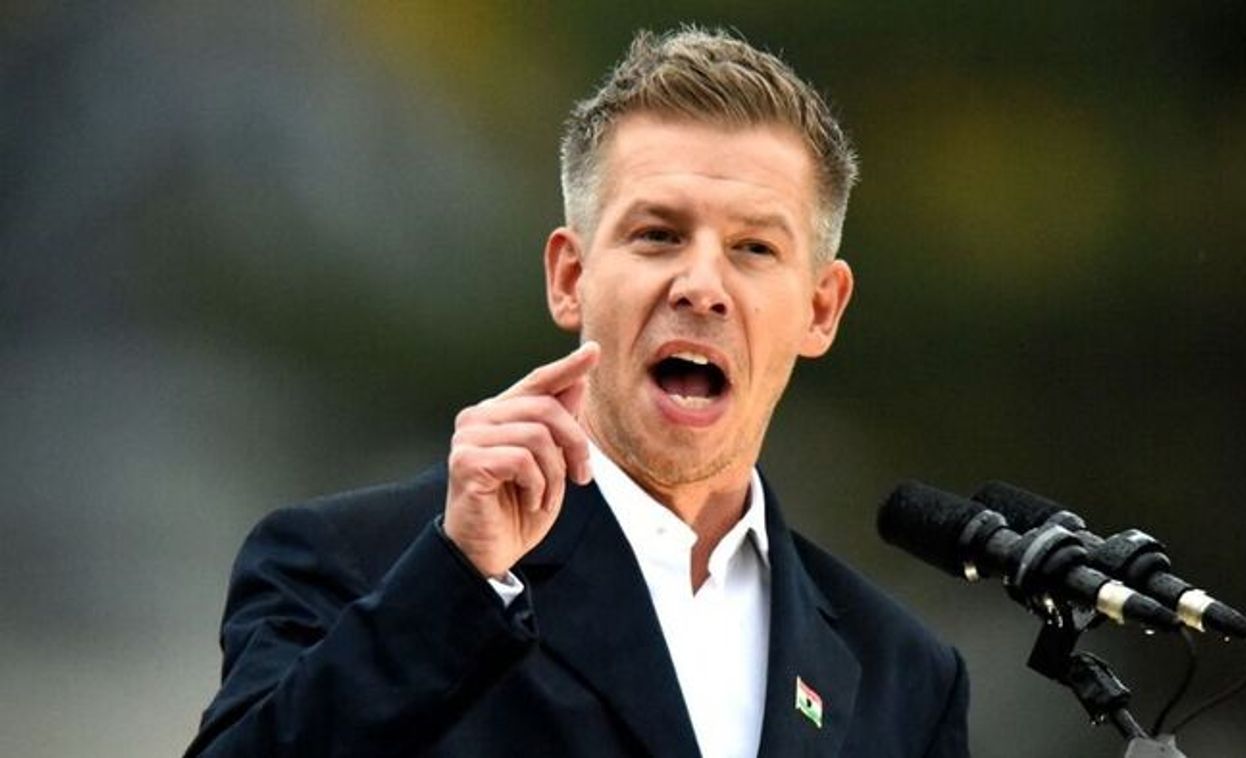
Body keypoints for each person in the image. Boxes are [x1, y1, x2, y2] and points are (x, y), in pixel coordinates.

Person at [187, 26, 969, 758]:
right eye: (657, 235)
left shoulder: (903, 673)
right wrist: (458, 581)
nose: (701, 285)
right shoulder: (355, 563)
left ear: (820, 309)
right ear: (570, 277)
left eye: (754, 247)